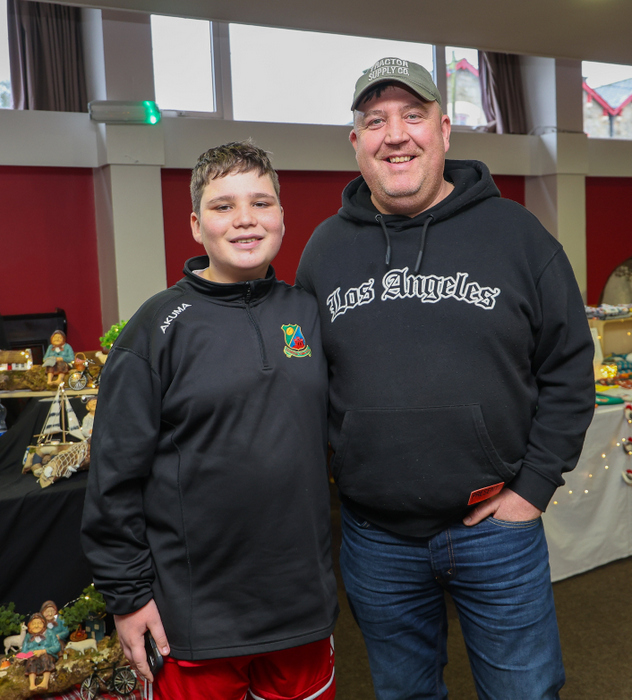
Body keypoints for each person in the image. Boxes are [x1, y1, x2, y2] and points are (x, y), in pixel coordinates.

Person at [296, 57, 595, 700]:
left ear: (445, 129)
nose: (395, 135)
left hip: (496, 530)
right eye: (375, 120)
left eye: (413, 115)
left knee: (524, 693)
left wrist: (532, 490)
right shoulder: (324, 251)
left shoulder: (519, 236)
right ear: (356, 142)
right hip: (375, 539)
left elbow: (569, 370)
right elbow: (306, 383)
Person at [81, 141, 338, 700]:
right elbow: (113, 480)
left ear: (281, 216)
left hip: (300, 609)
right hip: (193, 620)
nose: (245, 219)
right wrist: (128, 599)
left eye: (260, 203)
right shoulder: (156, 329)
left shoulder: (308, 313)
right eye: (223, 206)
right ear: (196, 225)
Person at [21, 612, 60, 691]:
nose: (36, 626)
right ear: (29, 625)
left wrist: (44, 651)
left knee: (45, 658)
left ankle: (45, 682)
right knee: (31, 660)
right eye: (33, 624)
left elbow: (57, 647)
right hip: (33, 655)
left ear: (44, 623)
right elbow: (24, 651)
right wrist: (32, 652)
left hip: (48, 654)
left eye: (39, 623)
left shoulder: (50, 633)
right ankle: (32, 684)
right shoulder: (28, 636)